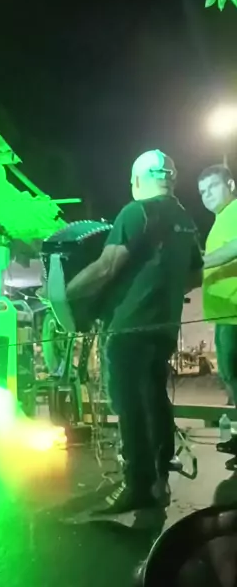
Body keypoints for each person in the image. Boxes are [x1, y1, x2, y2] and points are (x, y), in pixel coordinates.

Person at [66, 150, 203, 515]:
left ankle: (137, 485)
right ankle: (159, 475)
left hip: (130, 326)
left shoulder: (136, 212)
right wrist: (160, 291)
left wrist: (63, 295)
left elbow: (107, 266)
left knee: (129, 404)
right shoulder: (185, 220)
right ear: (171, 179)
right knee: (154, 397)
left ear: (138, 180)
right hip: (164, 326)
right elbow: (195, 275)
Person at [198, 165, 237, 452]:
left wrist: (199, 261)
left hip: (234, 313)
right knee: (230, 376)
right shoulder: (221, 220)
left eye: (212, 187)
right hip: (226, 314)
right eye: (202, 191)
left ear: (231, 185)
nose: (206, 195)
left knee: (232, 374)